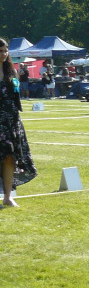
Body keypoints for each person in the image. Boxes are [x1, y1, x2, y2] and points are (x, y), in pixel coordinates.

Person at [1, 39, 37, 207]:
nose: (3, 54)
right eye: (0, 51)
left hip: (11, 120)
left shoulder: (11, 71)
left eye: (5, 51)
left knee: (10, 157)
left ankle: (8, 197)